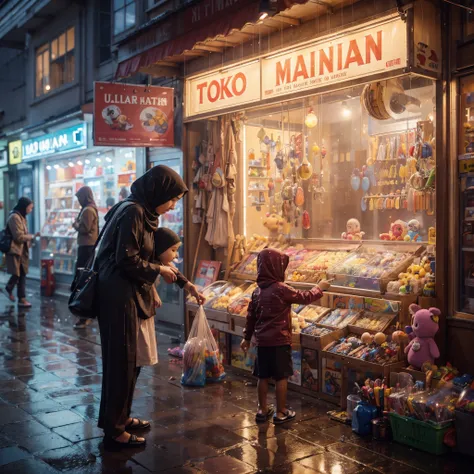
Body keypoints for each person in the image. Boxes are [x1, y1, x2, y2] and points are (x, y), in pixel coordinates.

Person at [95, 166, 204, 451]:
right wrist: (158, 270)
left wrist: (184, 283)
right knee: (121, 363)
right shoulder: (132, 212)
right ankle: (115, 430)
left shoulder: (142, 214)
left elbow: (151, 254)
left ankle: (118, 418)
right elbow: (127, 260)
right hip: (118, 298)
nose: (172, 205)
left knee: (129, 364)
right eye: (172, 199)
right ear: (158, 191)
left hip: (126, 296)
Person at [241, 248, 331, 424]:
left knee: (262, 376)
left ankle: (262, 409)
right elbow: (304, 297)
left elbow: (250, 317)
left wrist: (246, 338)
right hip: (280, 342)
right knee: (281, 377)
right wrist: (319, 288)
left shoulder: (256, 292)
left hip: (262, 342)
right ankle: (281, 412)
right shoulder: (282, 289)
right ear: (276, 268)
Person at [137, 227, 204, 368]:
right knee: (139, 352)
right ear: (160, 248)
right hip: (137, 312)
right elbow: (143, 280)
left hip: (145, 311)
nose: (176, 255)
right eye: (173, 250)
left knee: (142, 354)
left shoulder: (158, 261)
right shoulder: (147, 263)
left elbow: (176, 275)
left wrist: (191, 288)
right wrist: (153, 292)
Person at [1, 197, 39, 308]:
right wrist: (32, 237)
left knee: (22, 274)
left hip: (22, 251)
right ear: (24, 206)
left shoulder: (22, 217)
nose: (30, 210)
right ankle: (8, 287)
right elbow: (18, 237)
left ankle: (21, 298)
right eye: (30, 208)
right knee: (17, 273)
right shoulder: (14, 217)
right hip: (14, 250)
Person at [72, 186, 99, 329]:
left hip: (87, 247)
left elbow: (85, 229)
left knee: (83, 279)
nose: (78, 201)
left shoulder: (88, 210)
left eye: (79, 198)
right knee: (83, 278)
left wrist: (76, 225)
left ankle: (84, 315)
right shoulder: (89, 208)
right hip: (87, 246)